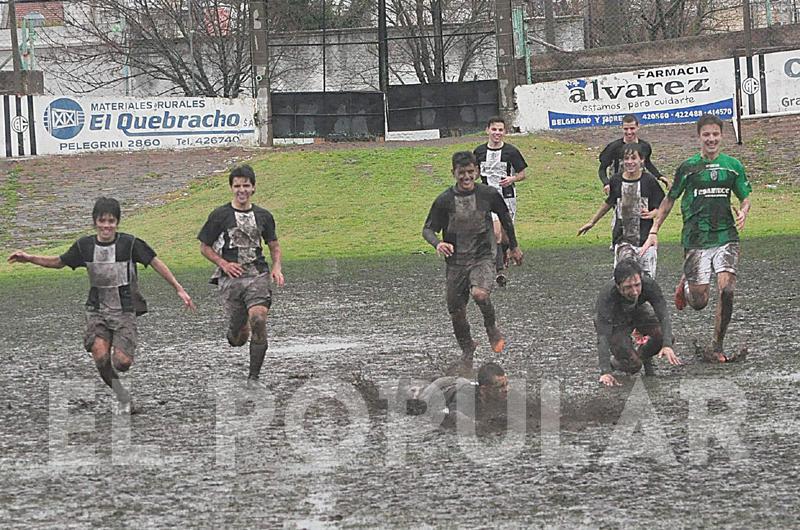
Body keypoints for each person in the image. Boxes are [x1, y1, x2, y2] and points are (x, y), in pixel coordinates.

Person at [7, 197, 195, 413]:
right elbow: (58, 262)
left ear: (117, 222)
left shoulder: (130, 243)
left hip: (124, 310)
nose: (106, 226)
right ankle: (122, 395)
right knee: (100, 355)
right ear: (95, 222)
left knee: (122, 363)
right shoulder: (84, 246)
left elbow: (155, 262)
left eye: (111, 221)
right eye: (102, 221)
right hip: (97, 309)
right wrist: (29, 258)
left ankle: (121, 358)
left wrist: (178, 288)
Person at [640, 114, 752, 363]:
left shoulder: (732, 166)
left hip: (726, 235)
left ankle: (717, 346)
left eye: (715, 134)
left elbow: (745, 196)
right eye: (706, 135)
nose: (711, 139)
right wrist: (655, 229)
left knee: (727, 290)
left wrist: (744, 211)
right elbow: (669, 200)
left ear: (722, 136)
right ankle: (687, 284)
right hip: (696, 239)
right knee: (699, 301)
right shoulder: (688, 167)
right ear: (699, 137)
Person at [422, 151, 523, 370]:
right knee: (456, 313)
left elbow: (505, 219)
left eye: (470, 172)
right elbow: (428, 229)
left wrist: (514, 246)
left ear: (477, 172)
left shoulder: (489, 194)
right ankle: (467, 348)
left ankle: (491, 326)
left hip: (482, 256)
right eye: (462, 173)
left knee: (479, 293)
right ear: (453, 173)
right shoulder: (444, 200)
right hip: (456, 262)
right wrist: (437, 243)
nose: (466, 177)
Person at [198, 164, 285, 387]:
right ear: (231, 188)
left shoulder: (264, 216)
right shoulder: (220, 215)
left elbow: (274, 245)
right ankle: (237, 326)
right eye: (237, 186)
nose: (242, 190)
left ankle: (253, 377)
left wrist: (276, 267)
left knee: (258, 319)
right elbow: (204, 247)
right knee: (237, 339)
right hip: (232, 280)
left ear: (253, 188)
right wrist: (223, 264)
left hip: (258, 275)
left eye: (246, 185)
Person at [578, 143, 664, 278]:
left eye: (633, 158)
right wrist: (592, 222)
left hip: (646, 239)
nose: (629, 162)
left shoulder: (649, 181)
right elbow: (609, 202)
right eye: (626, 159)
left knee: (647, 281)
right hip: (622, 239)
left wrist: (654, 213)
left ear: (641, 160)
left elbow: (663, 205)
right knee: (625, 279)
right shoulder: (616, 180)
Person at [595, 259, 682, 387]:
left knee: (664, 336)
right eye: (628, 287)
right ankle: (615, 362)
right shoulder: (607, 297)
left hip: (637, 311)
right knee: (633, 365)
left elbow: (663, 314)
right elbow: (603, 335)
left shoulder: (649, 284)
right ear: (618, 287)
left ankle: (644, 355)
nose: (635, 291)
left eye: (637, 285)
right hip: (616, 321)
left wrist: (667, 344)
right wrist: (605, 370)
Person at [473, 116, 528, 287]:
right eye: (494, 129)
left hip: (507, 197)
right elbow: (474, 172)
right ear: (487, 130)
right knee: (495, 232)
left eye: (500, 130)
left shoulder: (511, 151)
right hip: (487, 198)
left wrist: (512, 179)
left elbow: (522, 174)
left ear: (504, 132)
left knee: (504, 236)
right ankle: (499, 272)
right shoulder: (479, 151)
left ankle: (504, 254)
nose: (497, 133)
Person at [405, 362, 510, 426]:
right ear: (484, 390)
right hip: (440, 389)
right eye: (500, 387)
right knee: (417, 404)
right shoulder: (465, 399)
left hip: (461, 382)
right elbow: (453, 415)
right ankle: (418, 390)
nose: (506, 390)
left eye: (506, 384)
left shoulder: (503, 397)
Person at [598, 114, 668, 193]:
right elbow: (602, 169)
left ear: (638, 127)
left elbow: (647, 163)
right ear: (622, 128)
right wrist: (606, 183)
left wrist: (659, 176)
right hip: (619, 188)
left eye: (632, 128)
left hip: (640, 187)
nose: (629, 132)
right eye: (626, 129)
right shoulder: (613, 147)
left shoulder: (645, 146)